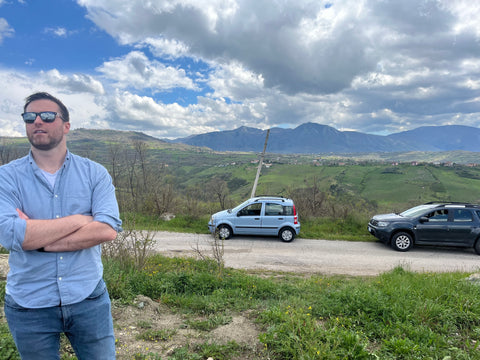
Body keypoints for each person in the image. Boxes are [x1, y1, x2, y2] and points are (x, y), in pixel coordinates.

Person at [0, 92, 122, 359]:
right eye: (30, 117)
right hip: (29, 304)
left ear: (66, 126)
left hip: (88, 297)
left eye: (47, 116)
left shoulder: (94, 173)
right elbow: (10, 235)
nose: (37, 122)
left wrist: (36, 238)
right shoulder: (5, 177)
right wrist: (81, 220)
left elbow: (107, 229)